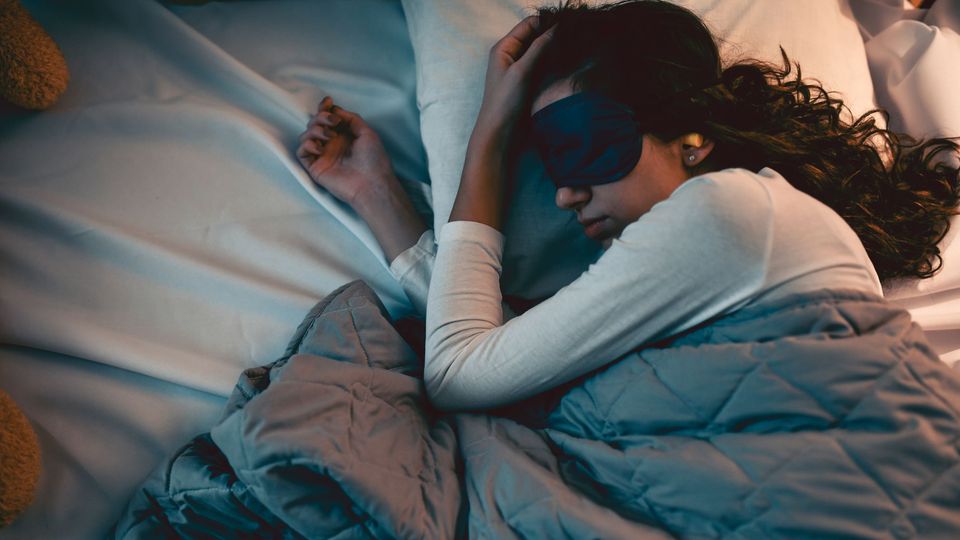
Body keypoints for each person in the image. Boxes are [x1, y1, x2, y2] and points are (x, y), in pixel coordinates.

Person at [296, 0, 960, 412]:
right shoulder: (714, 237)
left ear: (690, 138)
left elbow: (462, 372)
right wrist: (377, 196)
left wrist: (488, 137)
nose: (563, 194)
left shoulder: (728, 215)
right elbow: (510, 360)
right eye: (549, 160)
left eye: (581, 146)